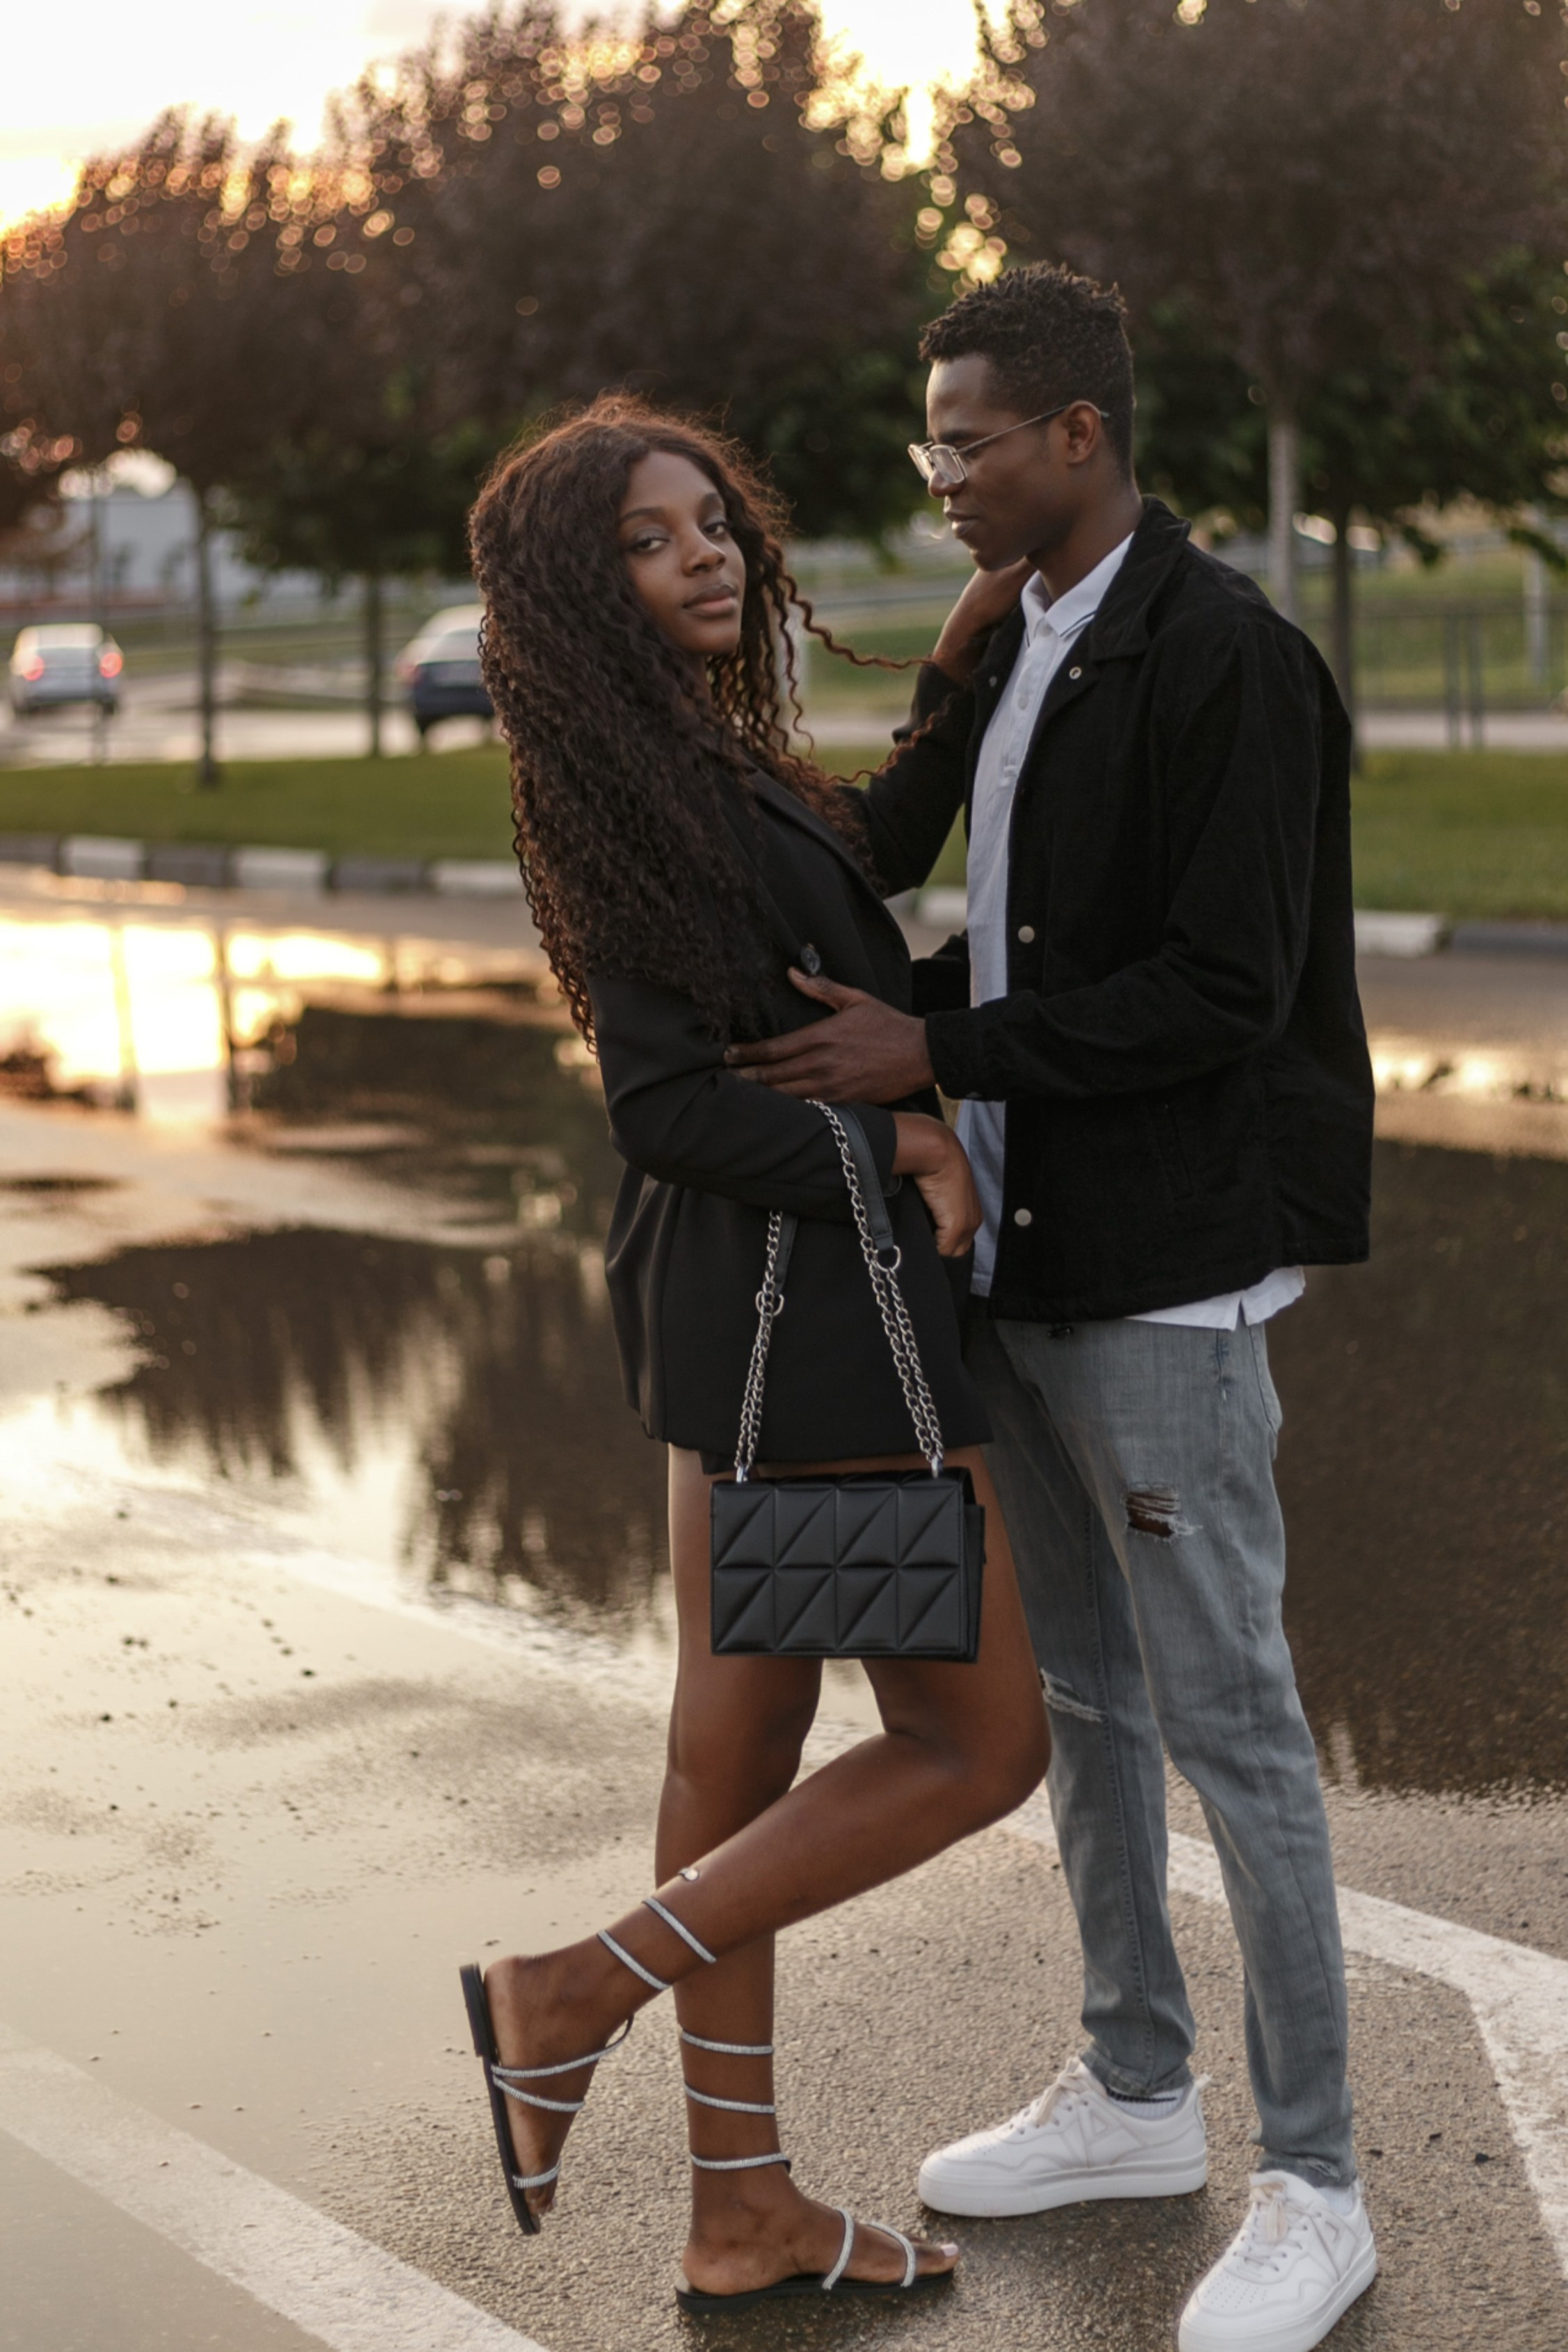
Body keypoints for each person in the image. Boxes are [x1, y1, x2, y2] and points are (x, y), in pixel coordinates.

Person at [726, 264, 1379, 2352]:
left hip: (1167, 1275)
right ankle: (1131, 2087)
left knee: (1236, 1731)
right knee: (1087, 1704)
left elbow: (1225, 991)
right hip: (1024, 1253)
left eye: (967, 442)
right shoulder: (1020, 643)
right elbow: (930, 877)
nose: (939, 477)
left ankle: (1321, 2183)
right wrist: (935, 709)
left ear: (1077, 437)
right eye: (933, 442)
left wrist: (938, 1057)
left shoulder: (1229, 661)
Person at [459, 396, 1051, 2314]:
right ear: (579, 592)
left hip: (742, 1305)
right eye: (651, 537)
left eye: (712, 520)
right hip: (813, 1310)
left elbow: (848, 853)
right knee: (978, 1742)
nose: (705, 553)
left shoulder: (681, 767)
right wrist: (897, 1131)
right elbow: (657, 1103)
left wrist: (955, 679)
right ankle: (565, 1994)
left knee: (734, 1765)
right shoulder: (630, 789)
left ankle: (740, 2211)